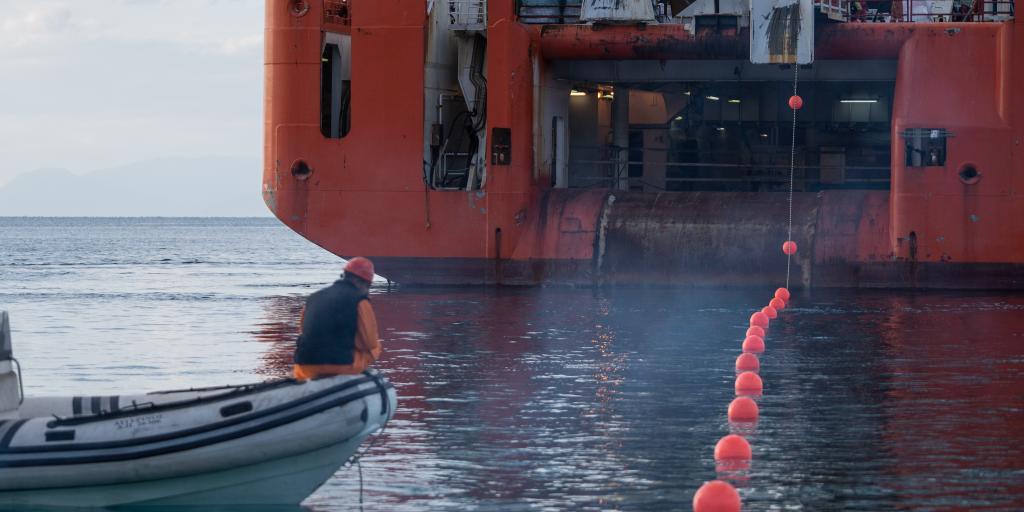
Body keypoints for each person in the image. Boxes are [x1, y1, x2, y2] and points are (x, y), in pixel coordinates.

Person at [293, 257, 381, 380]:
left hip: (304, 366)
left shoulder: (313, 298)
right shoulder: (360, 300)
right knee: (376, 346)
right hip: (341, 365)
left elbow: (303, 331)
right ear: (362, 282)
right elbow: (368, 342)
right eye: (369, 286)